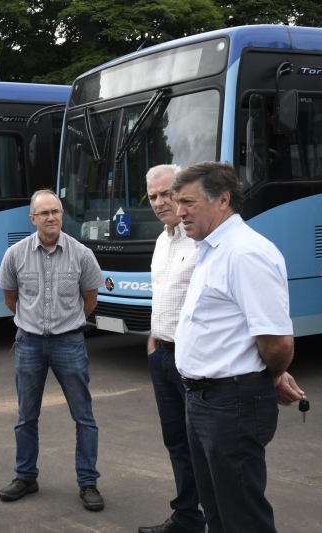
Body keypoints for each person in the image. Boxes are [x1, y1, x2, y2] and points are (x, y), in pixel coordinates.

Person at [171, 161, 305, 533]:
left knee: (243, 517)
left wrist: (270, 375)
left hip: (233, 404)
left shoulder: (245, 253)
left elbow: (277, 342)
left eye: (188, 202)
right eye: (177, 202)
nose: (179, 211)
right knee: (216, 509)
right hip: (202, 400)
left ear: (223, 201)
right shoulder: (211, 248)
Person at [0, 189, 105, 512]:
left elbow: (90, 299)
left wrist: (68, 324)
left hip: (69, 343)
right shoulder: (15, 255)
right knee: (26, 417)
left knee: (84, 417)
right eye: (44, 213)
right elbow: (10, 299)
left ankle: (88, 482)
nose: (51, 218)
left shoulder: (81, 253)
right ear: (32, 219)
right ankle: (26, 477)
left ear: (62, 215)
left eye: (55, 211)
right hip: (28, 342)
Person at [139, 164, 204, 533]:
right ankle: (186, 518)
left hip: (192, 361)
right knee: (177, 443)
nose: (161, 202)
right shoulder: (163, 240)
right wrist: (153, 337)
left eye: (166, 193)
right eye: (153, 197)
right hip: (162, 356)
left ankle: (216, 518)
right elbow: (163, 295)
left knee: (203, 445)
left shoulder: (200, 239)